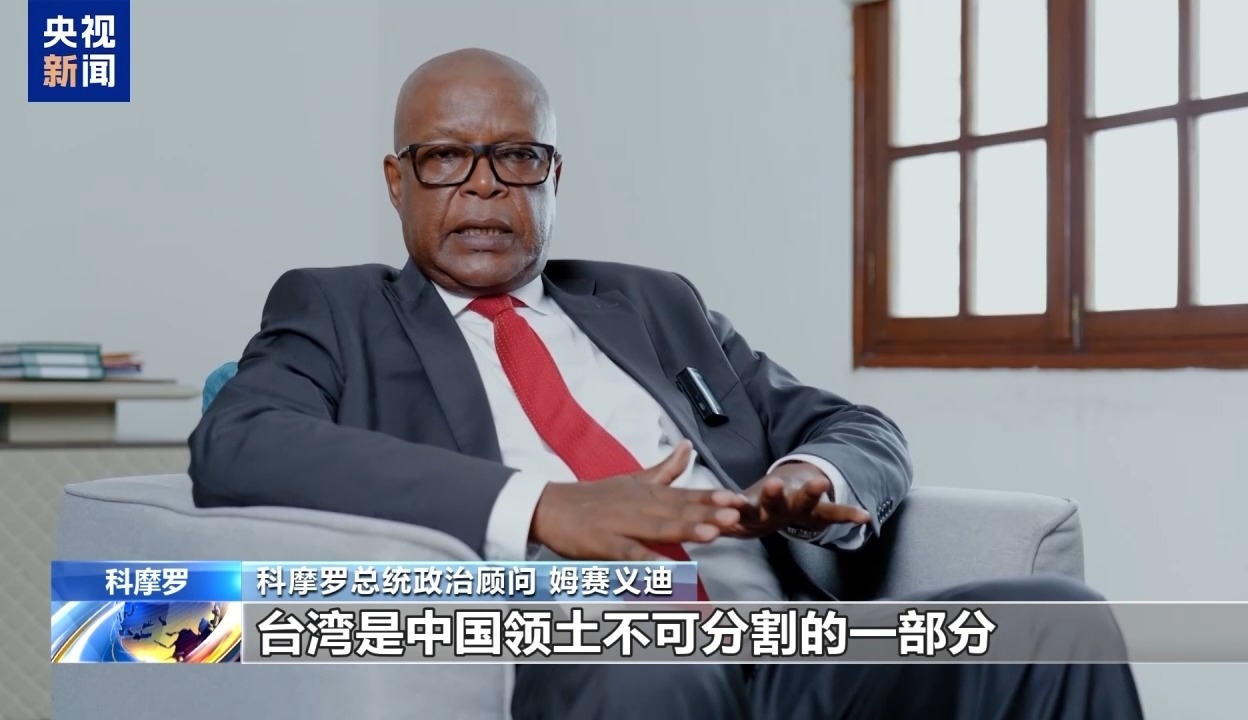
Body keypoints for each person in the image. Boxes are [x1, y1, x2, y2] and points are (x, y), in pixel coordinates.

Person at [189, 48, 1144, 720]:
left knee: (1053, 620)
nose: (484, 186)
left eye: (517, 156)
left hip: (790, 648)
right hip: (592, 655)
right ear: (397, 181)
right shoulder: (336, 310)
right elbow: (239, 442)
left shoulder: (653, 303)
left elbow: (854, 425)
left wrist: (808, 478)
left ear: (554, 177)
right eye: (445, 157)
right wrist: (545, 508)